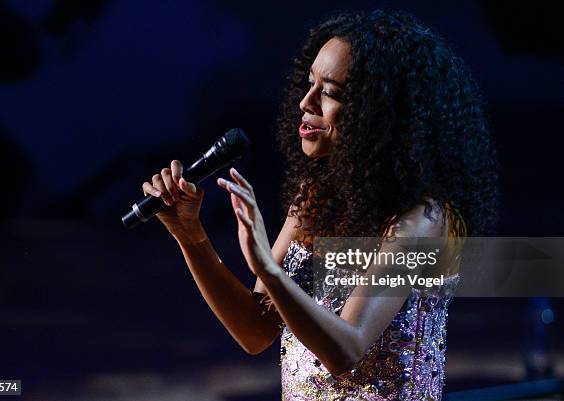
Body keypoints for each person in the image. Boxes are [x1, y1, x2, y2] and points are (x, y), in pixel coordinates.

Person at [141, 10, 497, 401]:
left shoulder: (422, 219)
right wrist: (192, 237)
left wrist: (267, 268)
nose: (305, 102)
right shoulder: (313, 200)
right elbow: (254, 331)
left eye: (330, 92)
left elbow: (347, 348)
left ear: (382, 113)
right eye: (310, 84)